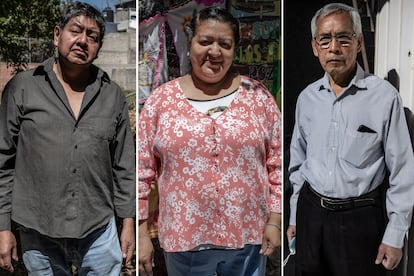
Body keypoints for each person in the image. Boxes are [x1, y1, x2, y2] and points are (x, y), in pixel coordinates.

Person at [138, 7, 282, 276]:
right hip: (184, 243)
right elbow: (141, 171)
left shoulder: (258, 97)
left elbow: (277, 163)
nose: (215, 52)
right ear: (190, 42)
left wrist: (275, 219)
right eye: (205, 41)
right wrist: (141, 231)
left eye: (225, 44)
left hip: (247, 240)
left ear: (234, 49)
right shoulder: (161, 101)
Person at [0, 2, 136, 274]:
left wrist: (128, 224)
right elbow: (3, 160)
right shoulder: (23, 87)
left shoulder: (113, 96)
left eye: (93, 36)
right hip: (38, 228)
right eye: (75, 31)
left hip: (98, 229)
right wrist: (3, 228)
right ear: (56, 35)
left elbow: (124, 165)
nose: (83, 41)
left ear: (98, 47)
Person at [287, 3, 414, 276]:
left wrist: (395, 235)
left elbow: (402, 172)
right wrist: (296, 215)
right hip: (311, 216)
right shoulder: (307, 98)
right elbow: (298, 163)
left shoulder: (384, 98)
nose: (334, 47)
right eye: (325, 39)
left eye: (343, 38)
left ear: (358, 43)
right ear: (314, 47)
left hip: (360, 222)